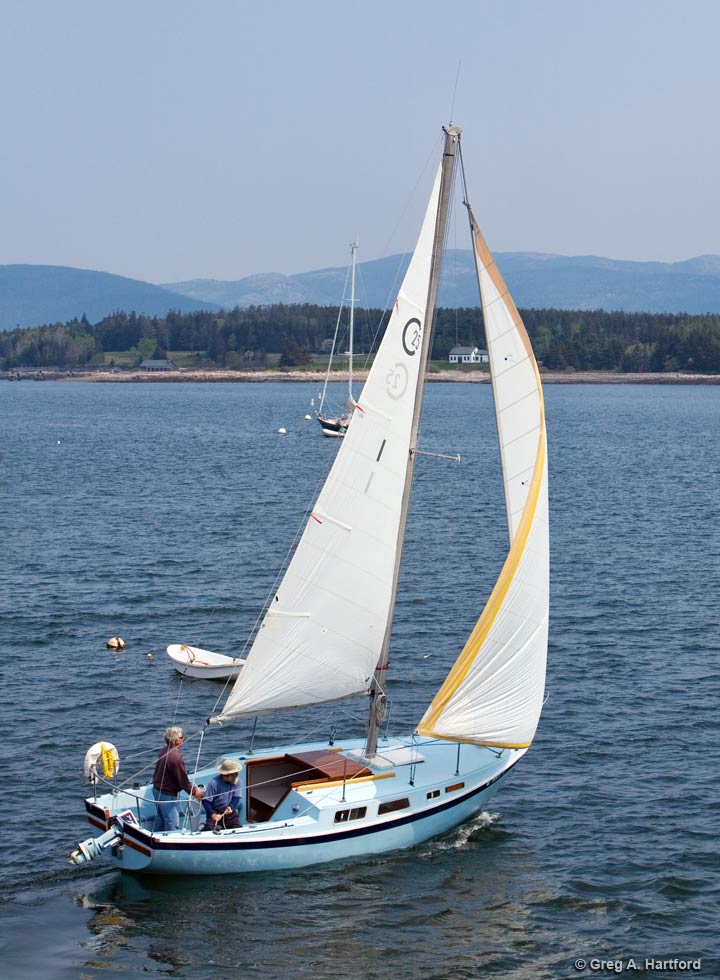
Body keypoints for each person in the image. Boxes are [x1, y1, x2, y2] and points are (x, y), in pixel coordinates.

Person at [152, 726, 203, 831]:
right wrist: (194, 792)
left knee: (162, 819)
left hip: (157, 790)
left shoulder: (164, 750)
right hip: (166, 794)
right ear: (176, 740)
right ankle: (168, 846)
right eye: (182, 737)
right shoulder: (175, 757)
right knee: (172, 824)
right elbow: (182, 780)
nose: (183, 739)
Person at [201, 758, 243, 832]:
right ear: (225, 775)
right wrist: (213, 814)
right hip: (215, 811)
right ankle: (202, 827)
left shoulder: (238, 782)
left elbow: (236, 797)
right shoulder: (214, 783)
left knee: (238, 829)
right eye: (233, 774)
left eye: (236, 773)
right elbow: (206, 801)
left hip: (228, 811)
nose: (236, 776)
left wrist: (231, 807)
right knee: (209, 831)